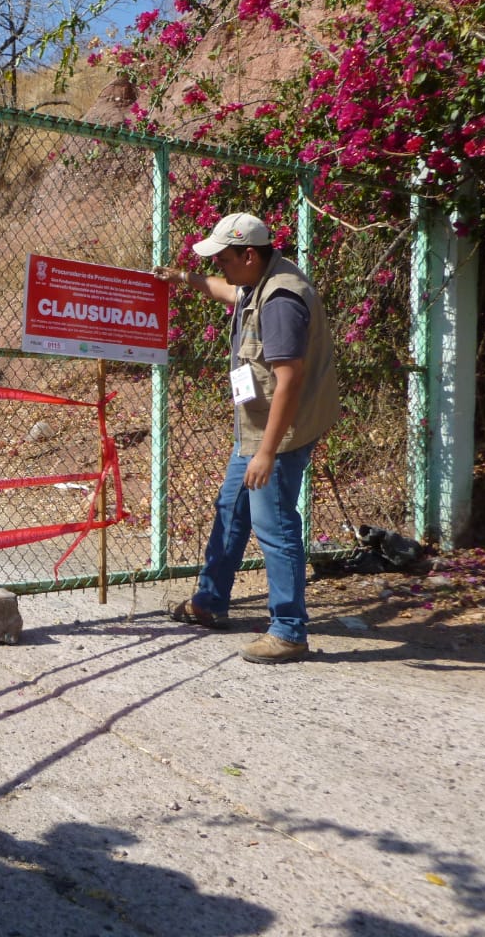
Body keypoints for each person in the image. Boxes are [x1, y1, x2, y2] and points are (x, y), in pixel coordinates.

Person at [154, 213, 340, 664]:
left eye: (224, 258)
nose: (220, 265)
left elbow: (289, 378)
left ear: (249, 254)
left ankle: (289, 631)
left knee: (274, 525)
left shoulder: (279, 301)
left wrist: (268, 453)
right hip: (257, 429)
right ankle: (210, 602)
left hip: (279, 433)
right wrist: (185, 278)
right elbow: (229, 292)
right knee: (231, 510)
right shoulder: (261, 279)